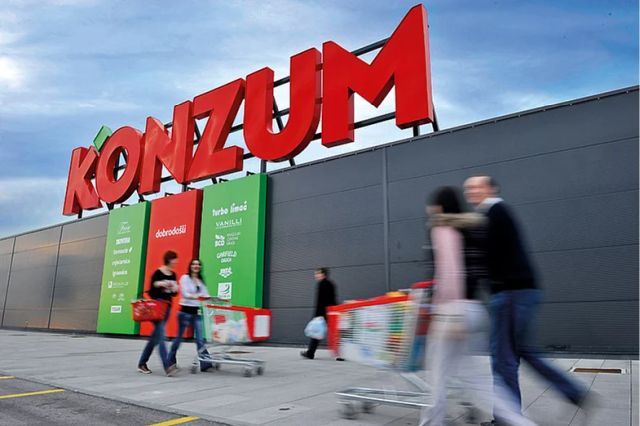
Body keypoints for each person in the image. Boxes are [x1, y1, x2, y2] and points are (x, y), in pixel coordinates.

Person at [464, 176, 587, 425]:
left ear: (491, 189)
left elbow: (486, 256)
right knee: (524, 351)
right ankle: (574, 392)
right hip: (520, 291)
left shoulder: (494, 213)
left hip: (510, 293)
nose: (471, 191)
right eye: (468, 188)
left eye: (477, 187)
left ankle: (506, 419)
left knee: (503, 359)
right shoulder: (495, 214)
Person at [419, 186, 491, 426]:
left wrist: (451, 315)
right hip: (475, 309)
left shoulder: (442, 228)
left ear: (440, 206)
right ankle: (515, 418)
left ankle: (432, 423)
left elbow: (450, 273)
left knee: (438, 376)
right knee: (472, 377)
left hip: (452, 311)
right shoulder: (472, 228)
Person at [137, 250, 179, 376]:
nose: (176, 262)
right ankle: (167, 366)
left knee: (155, 337)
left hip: (167, 307)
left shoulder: (173, 274)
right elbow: (151, 292)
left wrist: (175, 289)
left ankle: (142, 363)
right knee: (161, 337)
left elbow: (174, 293)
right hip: (157, 308)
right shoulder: (158, 273)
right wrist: (159, 284)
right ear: (169, 260)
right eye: (174, 259)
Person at [168, 259, 213, 372]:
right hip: (184, 312)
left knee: (200, 340)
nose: (196, 266)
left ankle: (206, 364)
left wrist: (215, 298)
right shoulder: (185, 278)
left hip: (196, 312)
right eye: (194, 264)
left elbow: (206, 295)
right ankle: (170, 361)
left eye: (198, 264)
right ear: (190, 266)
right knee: (178, 339)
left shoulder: (200, 281)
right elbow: (185, 294)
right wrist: (198, 297)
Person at [300, 267, 340, 360]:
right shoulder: (331, 283)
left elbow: (320, 301)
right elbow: (334, 299)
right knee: (334, 334)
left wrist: (316, 315)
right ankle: (338, 354)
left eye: (317, 273)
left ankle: (310, 353)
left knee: (316, 332)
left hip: (322, 313)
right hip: (332, 311)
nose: (316, 275)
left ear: (322, 274)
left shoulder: (321, 284)